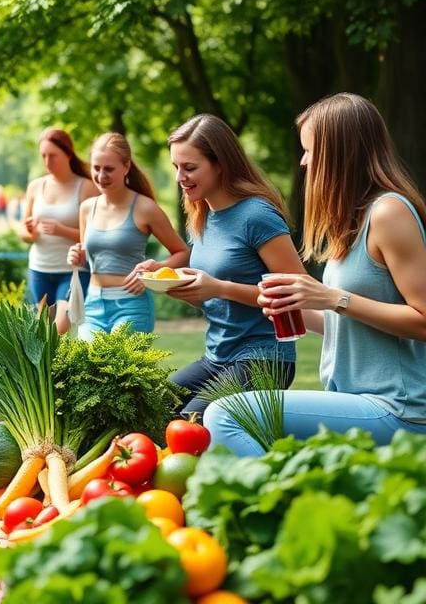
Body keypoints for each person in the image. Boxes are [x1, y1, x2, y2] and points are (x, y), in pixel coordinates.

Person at [205, 94, 426, 455]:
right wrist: (298, 306)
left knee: (227, 414)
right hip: (355, 400)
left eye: (310, 150)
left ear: (341, 152)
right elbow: (348, 321)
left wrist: (333, 298)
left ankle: (280, 508)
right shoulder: (353, 221)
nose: (304, 162)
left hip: (399, 410)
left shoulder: (389, 213)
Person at [165, 114, 307, 419]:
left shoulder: (257, 215)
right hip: (217, 356)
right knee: (149, 407)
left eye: (189, 168)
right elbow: (215, 295)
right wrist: (179, 285)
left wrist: (219, 288)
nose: (180, 177)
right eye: (176, 167)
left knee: (189, 424)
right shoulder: (201, 215)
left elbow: (297, 291)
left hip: (264, 358)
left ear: (221, 164)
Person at [67, 132, 189, 338]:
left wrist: (155, 270)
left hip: (132, 305)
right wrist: (78, 257)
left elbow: (183, 252)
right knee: (87, 368)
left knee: (117, 368)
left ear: (126, 166)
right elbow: (90, 258)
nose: (101, 176)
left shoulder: (145, 208)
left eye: (109, 169)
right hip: (93, 304)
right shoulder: (87, 208)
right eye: (96, 168)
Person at [19, 128, 98, 334]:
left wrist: (61, 230)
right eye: (43, 156)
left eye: (53, 155)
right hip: (40, 268)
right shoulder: (36, 186)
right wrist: (31, 233)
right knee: (43, 331)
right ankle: (50, 368)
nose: (47, 161)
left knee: (59, 329)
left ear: (68, 154)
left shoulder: (86, 187)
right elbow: (23, 233)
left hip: (72, 270)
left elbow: (94, 236)